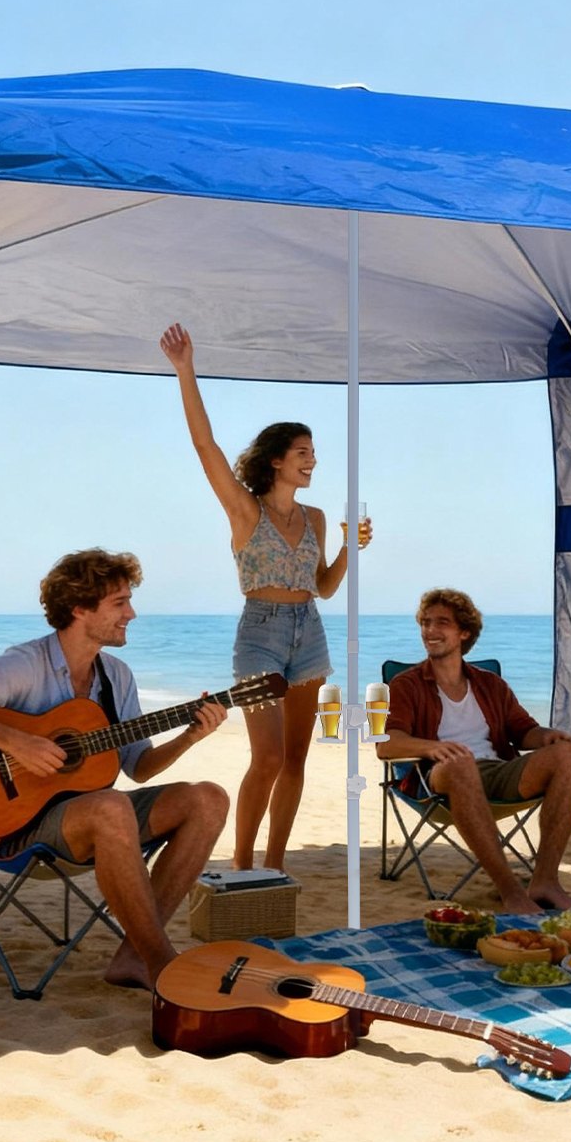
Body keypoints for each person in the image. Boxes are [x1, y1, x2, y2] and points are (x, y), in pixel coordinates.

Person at [0, 549, 229, 991]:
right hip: (14, 825)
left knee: (208, 798)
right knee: (110, 807)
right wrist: (16, 742)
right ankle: (162, 962)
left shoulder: (115, 676)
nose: (132, 613)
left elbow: (138, 767)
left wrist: (189, 736)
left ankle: (134, 956)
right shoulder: (26, 664)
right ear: (80, 608)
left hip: (85, 820)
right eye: (119, 602)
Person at [160, 321, 370, 872]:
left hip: (309, 633)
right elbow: (205, 446)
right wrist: (186, 370)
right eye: (303, 452)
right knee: (268, 757)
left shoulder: (318, 518)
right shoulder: (245, 510)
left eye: (314, 453)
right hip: (260, 633)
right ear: (276, 459)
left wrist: (350, 548)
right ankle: (244, 862)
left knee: (296, 760)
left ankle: (274, 865)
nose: (313, 461)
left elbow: (322, 586)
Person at [378, 588, 571, 913]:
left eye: (441, 623)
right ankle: (511, 892)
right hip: (437, 775)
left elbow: (524, 731)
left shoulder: (490, 684)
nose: (430, 631)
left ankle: (545, 881)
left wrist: (548, 737)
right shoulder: (407, 684)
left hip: (497, 771)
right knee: (460, 762)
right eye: (426, 623)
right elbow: (385, 744)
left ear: (464, 632)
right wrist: (435, 748)